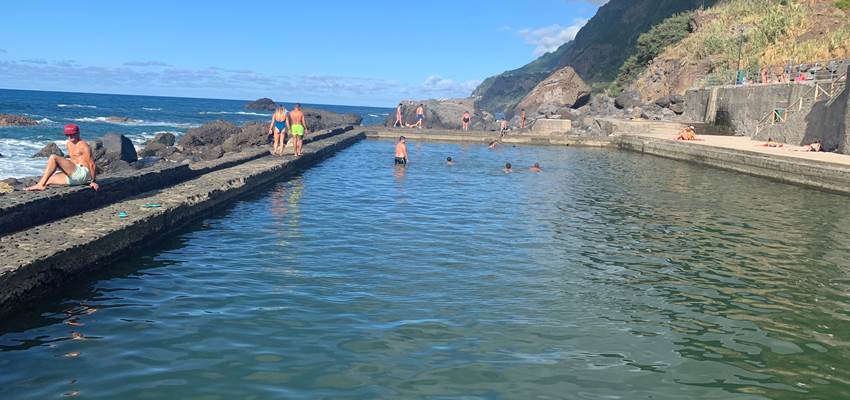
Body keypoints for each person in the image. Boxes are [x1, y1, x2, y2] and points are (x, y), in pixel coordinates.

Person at [26, 124, 99, 192]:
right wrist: (64, 171)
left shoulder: (83, 145)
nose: (70, 137)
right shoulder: (69, 144)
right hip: (74, 175)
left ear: (78, 133)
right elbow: (72, 161)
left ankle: (40, 185)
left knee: (53, 157)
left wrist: (93, 181)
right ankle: (40, 184)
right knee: (47, 179)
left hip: (82, 173)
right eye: (68, 135)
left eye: (72, 134)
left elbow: (91, 164)